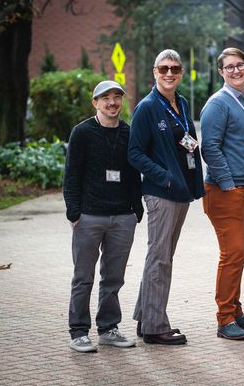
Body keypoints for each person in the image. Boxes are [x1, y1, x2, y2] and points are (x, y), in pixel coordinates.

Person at [128, 49, 204, 346]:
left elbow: (188, 143)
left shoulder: (182, 103)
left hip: (181, 191)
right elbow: (134, 153)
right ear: (154, 73)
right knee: (159, 258)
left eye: (174, 68)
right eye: (163, 69)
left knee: (161, 256)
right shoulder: (147, 108)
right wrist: (165, 177)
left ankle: (145, 316)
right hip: (162, 193)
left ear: (181, 72)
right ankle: (156, 327)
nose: (169, 73)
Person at [64, 80, 143, 353]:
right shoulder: (82, 132)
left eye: (117, 97)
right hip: (89, 216)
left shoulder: (129, 133)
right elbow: (71, 174)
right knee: (83, 276)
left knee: (113, 278)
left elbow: (133, 174)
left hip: (122, 217)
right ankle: (78, 331)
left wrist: (136, 209)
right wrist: (74, 212)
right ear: (95, 102)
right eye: (106, 98)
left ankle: (108, 328)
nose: (112, 103)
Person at [200, 47, 244, 340]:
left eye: (240, 65)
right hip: (226, 190)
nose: (236, 70)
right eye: (229, 67)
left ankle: (236, 310)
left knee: (241, 253)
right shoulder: (217, 103)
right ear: (221, 72)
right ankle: (224, 318)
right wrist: (228, 183)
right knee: (233, 253)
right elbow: (209, 147)